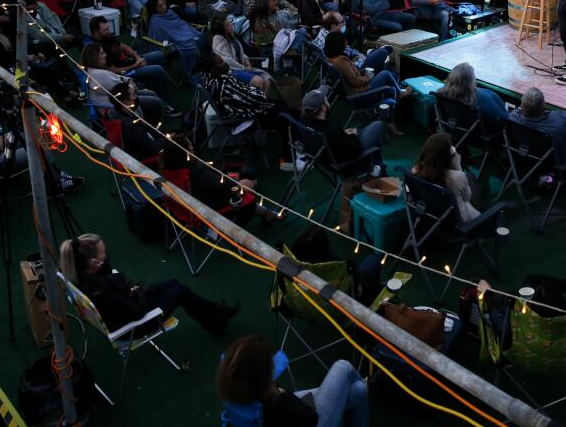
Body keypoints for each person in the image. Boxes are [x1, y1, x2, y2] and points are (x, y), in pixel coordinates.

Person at [59, 233, 239, 334]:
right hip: (135, 325)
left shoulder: (84, 276)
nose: (106, 256)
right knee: (181, 291)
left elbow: (119, 297)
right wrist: (138, 293)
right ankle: (214, 319)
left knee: (174, 282)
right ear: (93, 263)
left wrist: (132, 290)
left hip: (125, 308)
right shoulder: (102, 288)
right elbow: (137, 313)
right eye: (102, 254)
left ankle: (213, 319)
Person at [217, 334, 368, 427]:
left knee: (358, 391)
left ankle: (365, 384)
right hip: (306, 420)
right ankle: (368, 381)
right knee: (344, 367)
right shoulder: (279, 402)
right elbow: (310, 418)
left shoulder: (235, 390)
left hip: (272, 418)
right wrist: (282, 393)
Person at [159, 135, 279, 225]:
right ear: (186, 153)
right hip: (206, 207)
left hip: (182, 206)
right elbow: (225, 187)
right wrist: (243, 185)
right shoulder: (195, 171)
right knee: (247, 191)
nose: (192, 148)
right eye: (190, 147)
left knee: (236, 177)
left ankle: (266, 213)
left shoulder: (169, 169)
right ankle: (267, 214)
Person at [323, 31, 408, 133]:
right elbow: (356, 82)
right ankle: (400, 94)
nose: (346, 42)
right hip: (361, 95)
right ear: (338, 45)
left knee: (390, 86)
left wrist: (363, 73)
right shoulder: (341, 62)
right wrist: (368, 77)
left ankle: (390, 121)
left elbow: (353, 78)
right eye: (344, 41)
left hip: (356, 92)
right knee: (386, 74)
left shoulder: (330, 59)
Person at [300, 89, 385, 178]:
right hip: (348, 165)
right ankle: (376, 166)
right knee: (377, 125)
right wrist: (353, 135)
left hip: (328, 161)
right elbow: (354, 150)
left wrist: (343, 133)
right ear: (323, 107)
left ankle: (377, 166)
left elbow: (336, 139)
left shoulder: (306, 124)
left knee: (364, 131)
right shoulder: (330, 131)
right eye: (326, 101)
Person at [197, 54, 292, 132]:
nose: (225, 63)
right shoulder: (224, 84)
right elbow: (259, 99)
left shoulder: (207, 78)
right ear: (214, 70)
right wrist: (255, 90)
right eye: (221, 62)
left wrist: (249, 89)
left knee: (280, 104)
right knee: (286, 114)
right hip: (241, 120)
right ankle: (294, 149)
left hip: (234, 110)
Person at [88, 15, 173, 100]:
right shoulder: (97, 51)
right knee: (158, 70)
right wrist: (136, 65)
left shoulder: (107, 37)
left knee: (159, 55)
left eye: (108, 28)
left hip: (130, 61)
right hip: (126, 73)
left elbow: (123, 47)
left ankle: (151, 86)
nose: (109, 31)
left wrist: (137, 58)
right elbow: (114, 71)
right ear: (96, 33)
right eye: (105, 30)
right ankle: (164, 103)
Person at [78, 43, 166, 124]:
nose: (105, 55)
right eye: (101, 53)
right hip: (116, 107)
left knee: (152, 93)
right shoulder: (97, 75)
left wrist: (128, 81)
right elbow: (123, 89)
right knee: (157, 103)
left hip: (120, 99)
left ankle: (147, 124)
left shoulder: (93, 71)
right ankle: (150, 129)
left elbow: (120, 81)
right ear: (94, 59)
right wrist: (131, 84)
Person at [412, 133, 482, 221]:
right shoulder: (457, 177)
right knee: (471, 178)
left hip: (432, 215)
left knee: (470, 177)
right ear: (447, 157)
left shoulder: (416, 170)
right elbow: (467, 198)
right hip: (457, 220)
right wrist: (458, 167)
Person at [209, 13, 270, 92]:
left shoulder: (230, 35)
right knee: (259, 81)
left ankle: (264, 103)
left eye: (230, 23)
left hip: (240, 67)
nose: (231, 26)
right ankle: (256, 102)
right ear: (221, 30)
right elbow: (228, 61)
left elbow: (238, 51)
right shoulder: (218, 41)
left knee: (267, 81)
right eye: (227, 26)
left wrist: (246, 59)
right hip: (230, 71)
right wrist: (244, 68)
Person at [106, 81, 168, 159]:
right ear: (126, 102)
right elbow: (152, 147)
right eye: (134, 95)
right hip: (143, 155)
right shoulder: (132, 127)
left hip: (141, 142)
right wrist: (168, 140)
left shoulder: (115, 110)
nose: (137, 96)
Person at [440, 62, 507, 133]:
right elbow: (497, 119)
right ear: (471, 81)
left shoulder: (442, 93)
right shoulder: (483, 98)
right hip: (476, 134)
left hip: (456, 128)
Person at [146, 0, 202, 76]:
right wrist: (182, 37)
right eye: (160, 6)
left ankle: (203, 66)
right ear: (154, 9)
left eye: (164, 4)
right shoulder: (156, 21)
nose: (164, 7)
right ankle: (193, 72)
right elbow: (165, 36)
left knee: (202, 39)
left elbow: (181, 24)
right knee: (193, 46)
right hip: (174, 44)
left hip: (186, 33)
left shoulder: (170, 12)